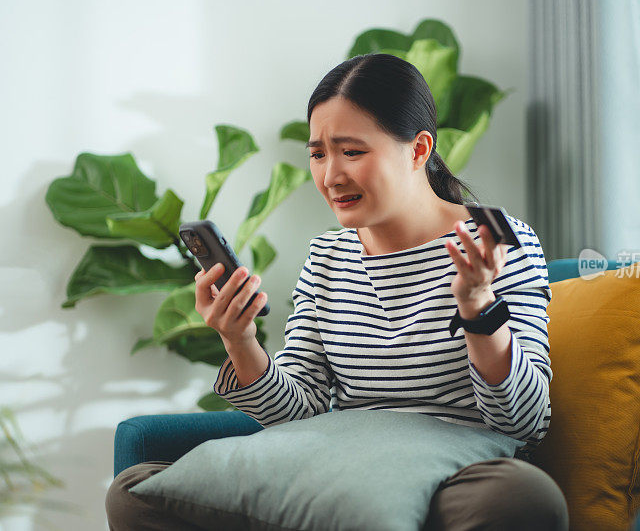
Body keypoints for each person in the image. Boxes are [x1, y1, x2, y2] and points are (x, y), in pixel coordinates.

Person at [106, 53, 568, 531]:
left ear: (418, 149)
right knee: (133, 493)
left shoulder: (495, 242)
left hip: (455, 471)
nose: (330, 176)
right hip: (341, 461)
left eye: (352, 151)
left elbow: (525, 423)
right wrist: (240, 341)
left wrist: (478, 307)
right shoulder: (328, 256)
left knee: (522, 499)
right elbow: (298, 413)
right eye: (318, 153)